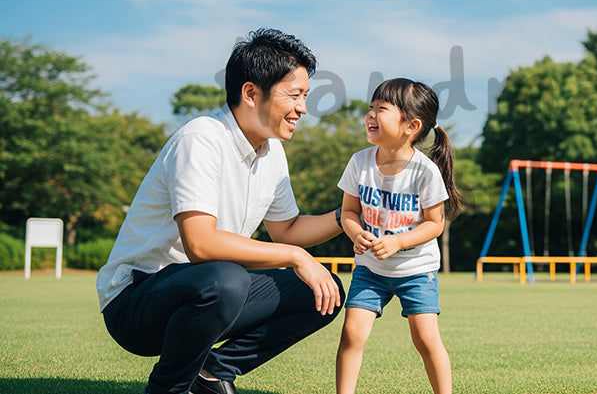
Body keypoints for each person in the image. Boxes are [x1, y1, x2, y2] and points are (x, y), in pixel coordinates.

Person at [96, 28, 346, 394]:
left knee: (320, 290)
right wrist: (295, 256)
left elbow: (287, 229)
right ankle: (170, 389)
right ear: (250, 93)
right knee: (227, 279)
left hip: (208, 291)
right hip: (136, 300)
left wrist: (348, 216)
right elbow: (201, 245)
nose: (303, 108)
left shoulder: (272, 151)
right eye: (294, 95)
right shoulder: (201, 140)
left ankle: (210, 374)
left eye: (305, 96)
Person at [335, 78, 463, 394]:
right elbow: (349, 212)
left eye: (382, 109)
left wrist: (397, 241)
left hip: (416, 271)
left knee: (425, 338)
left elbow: (435, 224)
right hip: (370, 270)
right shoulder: (359, 162)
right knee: (352, 333)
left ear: (411, 125)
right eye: (370, 108)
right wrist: (355, 233)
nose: (371, 115)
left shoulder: (425, 172)